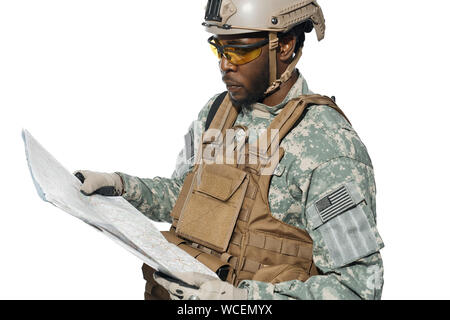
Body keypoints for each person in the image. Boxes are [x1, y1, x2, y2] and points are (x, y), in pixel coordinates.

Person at [75, 0, 384, 300]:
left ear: (286, 45)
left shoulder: (329, 148)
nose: (225, 64)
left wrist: (242, 298)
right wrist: (119, 186)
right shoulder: (217, 111)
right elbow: (183, 197)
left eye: (240, 50)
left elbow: (357, 288)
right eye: (219, 48)